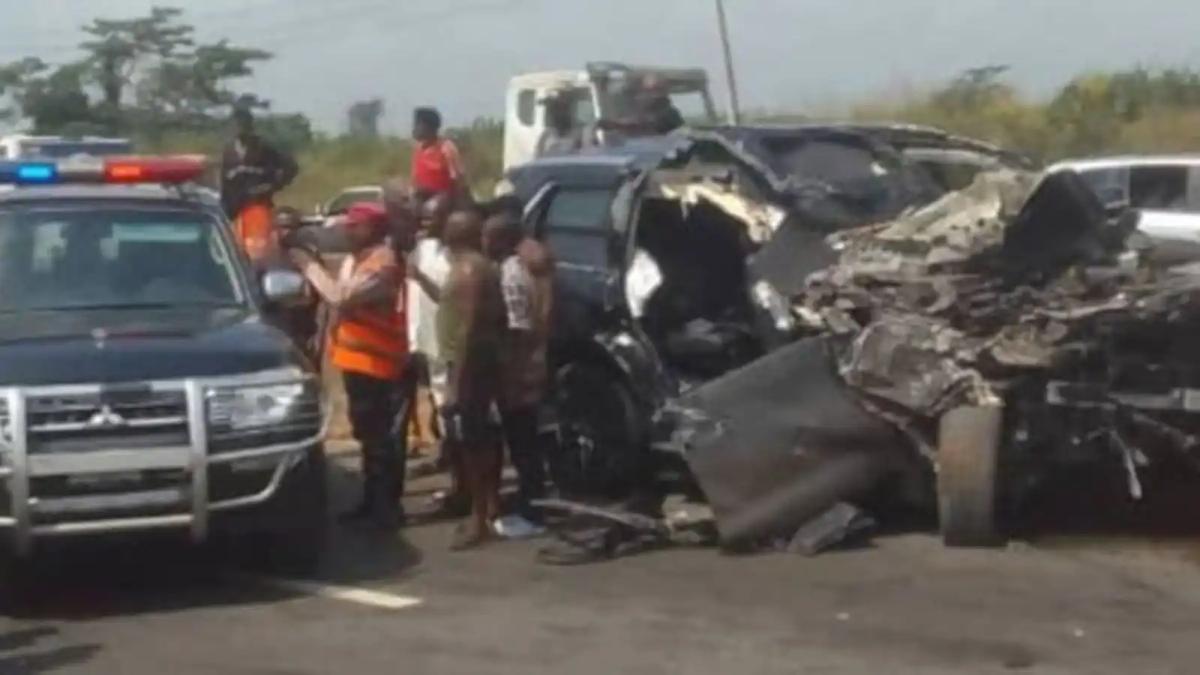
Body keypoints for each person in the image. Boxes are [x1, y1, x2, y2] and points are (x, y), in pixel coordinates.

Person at [288, 202, 408, 529]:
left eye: (356, 226)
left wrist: (309, 267)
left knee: (381, 439)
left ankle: (386, 507)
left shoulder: (382, 264)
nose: (348, 230)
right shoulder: (357, 260)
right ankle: (371, 502)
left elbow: (341, 297)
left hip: (379, 363)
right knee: (367, 434)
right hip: (357, 361)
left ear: (375, 229)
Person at [413, 208, 504, 549]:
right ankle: (488, 508)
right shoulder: (471, 269)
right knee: (481, 440)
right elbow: (451, 305)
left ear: (455, 235)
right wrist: (421, 279)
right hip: (472, 366)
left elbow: (467, 330)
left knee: (473, 444)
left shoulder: (468, 271)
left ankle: (478, 517)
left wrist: (455, 383)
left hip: (469, 369)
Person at [482, 205, 555, 529]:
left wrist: (509, 372)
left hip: (517, 370)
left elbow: (518, 327)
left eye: (488, 235)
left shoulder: (510, 274)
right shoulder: (518, 268)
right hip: (525, 366)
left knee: (523, 443)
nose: (483, 241)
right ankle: (532, 502)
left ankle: (532, 511)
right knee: (526, 441)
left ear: (502, 240)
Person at [221, 106, 299, 263]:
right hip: (235, 210)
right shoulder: (228, 152)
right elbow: (224, 183)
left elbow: (291, 167)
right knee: (235, 252)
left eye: (243, 124)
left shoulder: (264, 148)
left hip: (258, 207)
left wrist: (272, 186)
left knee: (260, 253)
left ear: (250, 125)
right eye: (236, 124)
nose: (240, 128)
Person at [411, 107, 468, 211]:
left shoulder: (446, 148)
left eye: (418, 125)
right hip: (423, 195)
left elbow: (457, 180)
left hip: (445, 196)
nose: (414, 129)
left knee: (433, 208)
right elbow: (415, 179)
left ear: (429, 127)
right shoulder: (419, 150)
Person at [535, 93, 586, 158]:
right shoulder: (547, 135)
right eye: (558, 109)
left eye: (564, 108)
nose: (561, 113)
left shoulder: (579, 133)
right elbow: (538, 156)